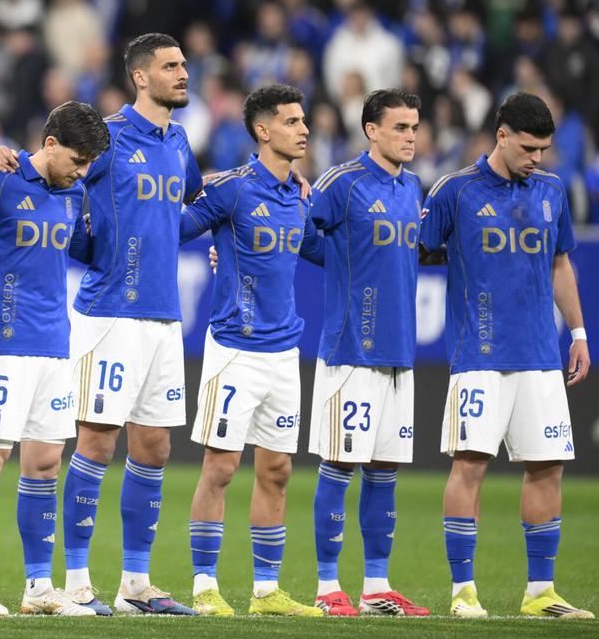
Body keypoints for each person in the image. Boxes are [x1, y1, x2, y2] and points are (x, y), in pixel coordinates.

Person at [0, 32, 203, 616]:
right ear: (141, 76)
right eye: (170, 66)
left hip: (165, 318)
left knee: (156, 445)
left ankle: (136, 583)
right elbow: (57, 184)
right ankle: (79, 579)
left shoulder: (181, 141)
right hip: (110, 313)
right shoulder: (106, 139)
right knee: (95, 441)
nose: (183, 73)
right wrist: (5, 158)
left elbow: (180, 208)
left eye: (184, 64)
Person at [420, 92, 593, 619]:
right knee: (469, 466)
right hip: (479, 354)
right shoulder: (455, 190)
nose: (537, 158)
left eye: (543, 148)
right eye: (528, 147)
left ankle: (541, 593)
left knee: (547, 467)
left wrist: (580, 332)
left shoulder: (552, 191)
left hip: (542, 354)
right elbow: (416, 248)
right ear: (501, 135)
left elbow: (561, 264)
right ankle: (463, 592)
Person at [0, 101, 110, 616]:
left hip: (54, 347)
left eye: (90, 164)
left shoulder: (76, 195)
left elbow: (90, 249)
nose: (83, 171)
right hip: (0, 344)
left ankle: (38, 589)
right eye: (78, 159)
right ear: (49, 144)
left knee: (44, 465)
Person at [182, 83, 324, 618]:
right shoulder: (233, 190)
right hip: (235, 350)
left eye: (303, 120)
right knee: (220, 468)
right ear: (263, 131)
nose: (304, 129)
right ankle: (203, 585)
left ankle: (267, 592)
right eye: (292, 121)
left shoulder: (297, 196)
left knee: (278, 470)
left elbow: (320, 250)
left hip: (285, 353)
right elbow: (178, 227)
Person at [304, 89, 430, 616]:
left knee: (384, 472)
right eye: (399, 127)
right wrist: (339, 260)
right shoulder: (342, 181)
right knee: (339, 465)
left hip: (399, 353)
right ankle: (327, 586)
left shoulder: (413, 187)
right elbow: (298, 233)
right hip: (350, 349)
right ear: (371, 130)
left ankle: (376, 588)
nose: (410, 136)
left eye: (414, 127)